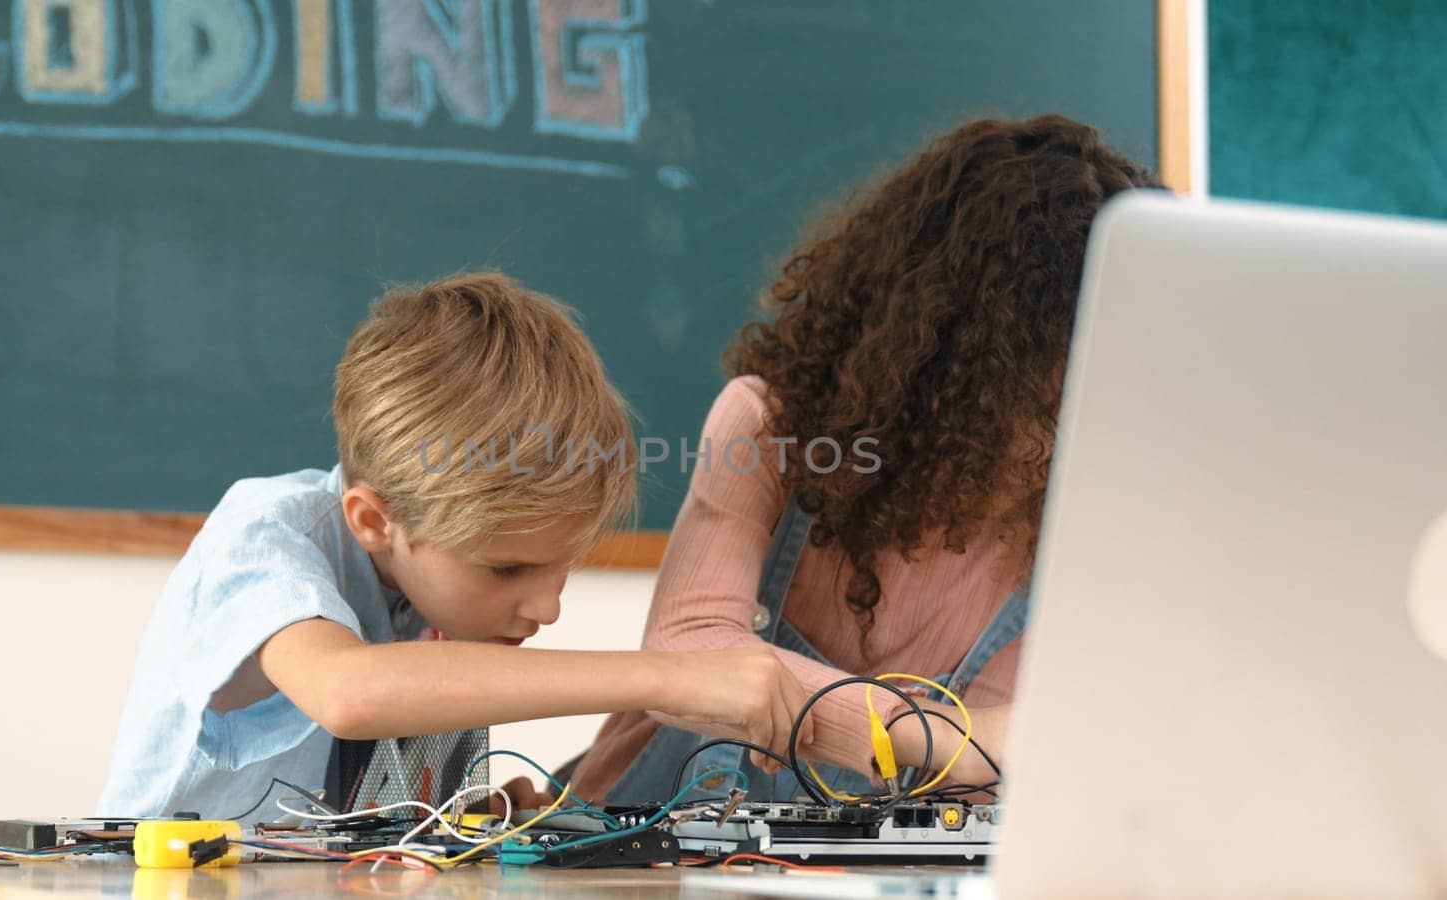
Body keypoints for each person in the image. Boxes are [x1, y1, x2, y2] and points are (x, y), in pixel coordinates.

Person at [571, 116, 1163, 804]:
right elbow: (687, 650)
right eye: (1059, 368)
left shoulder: (1077, 527)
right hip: (648, 842)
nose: (1085, 400)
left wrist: (937, 742)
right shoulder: (771, 425)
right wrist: (936, 736)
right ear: (968, 346)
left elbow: (1001, 768)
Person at [97, 272, 809, 821]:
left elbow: (363, 823)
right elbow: (350, 694)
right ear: (375, 521)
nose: (548, 606)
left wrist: (475, 819)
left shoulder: (443, 595)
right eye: (508, 567)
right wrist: (666, 676)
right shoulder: (265, 538)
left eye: (564, 567)